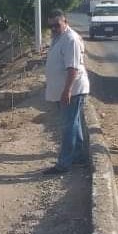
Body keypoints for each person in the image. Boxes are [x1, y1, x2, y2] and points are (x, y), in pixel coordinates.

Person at [43, 9, 90, 174]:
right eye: (51, 26)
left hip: (72, 89)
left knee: (67, 126)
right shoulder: (58, 38)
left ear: (65, 22)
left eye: (57, 25)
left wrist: (67, 90)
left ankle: (64, 164)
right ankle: (78, 156)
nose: (54, 29)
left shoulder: (70, 39)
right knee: (73, 123)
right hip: (63, 90)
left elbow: (72, 68)